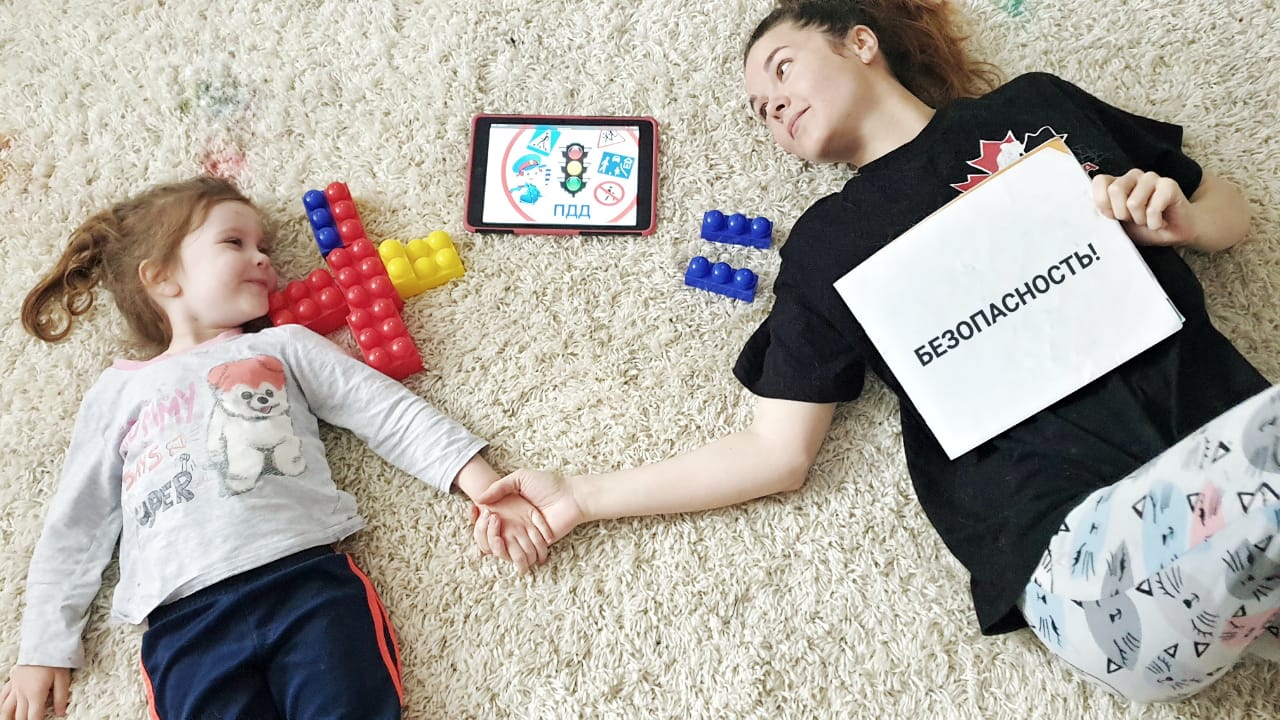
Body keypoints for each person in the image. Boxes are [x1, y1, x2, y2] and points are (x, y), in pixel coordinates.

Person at [471, 0, 1280, 704]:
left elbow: (1224, 205)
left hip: (1236, 482)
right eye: (760, 110)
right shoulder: (828, 245)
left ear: (860, 42)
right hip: (1085, 565)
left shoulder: (1034, 107)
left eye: (782, 69)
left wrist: (1184, 222)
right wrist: (578, 496)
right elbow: (775, 452)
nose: (772, 105)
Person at [1, 177, 551, 720]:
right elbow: (77, 523)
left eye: (263, 245)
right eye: (234, 242)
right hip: (184, 621)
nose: (263, 258)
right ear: (162, 276)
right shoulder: (117, 392)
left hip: (306, 585)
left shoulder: (284, 347)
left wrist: (483, 485)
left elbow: (386, 412)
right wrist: (43, 648)